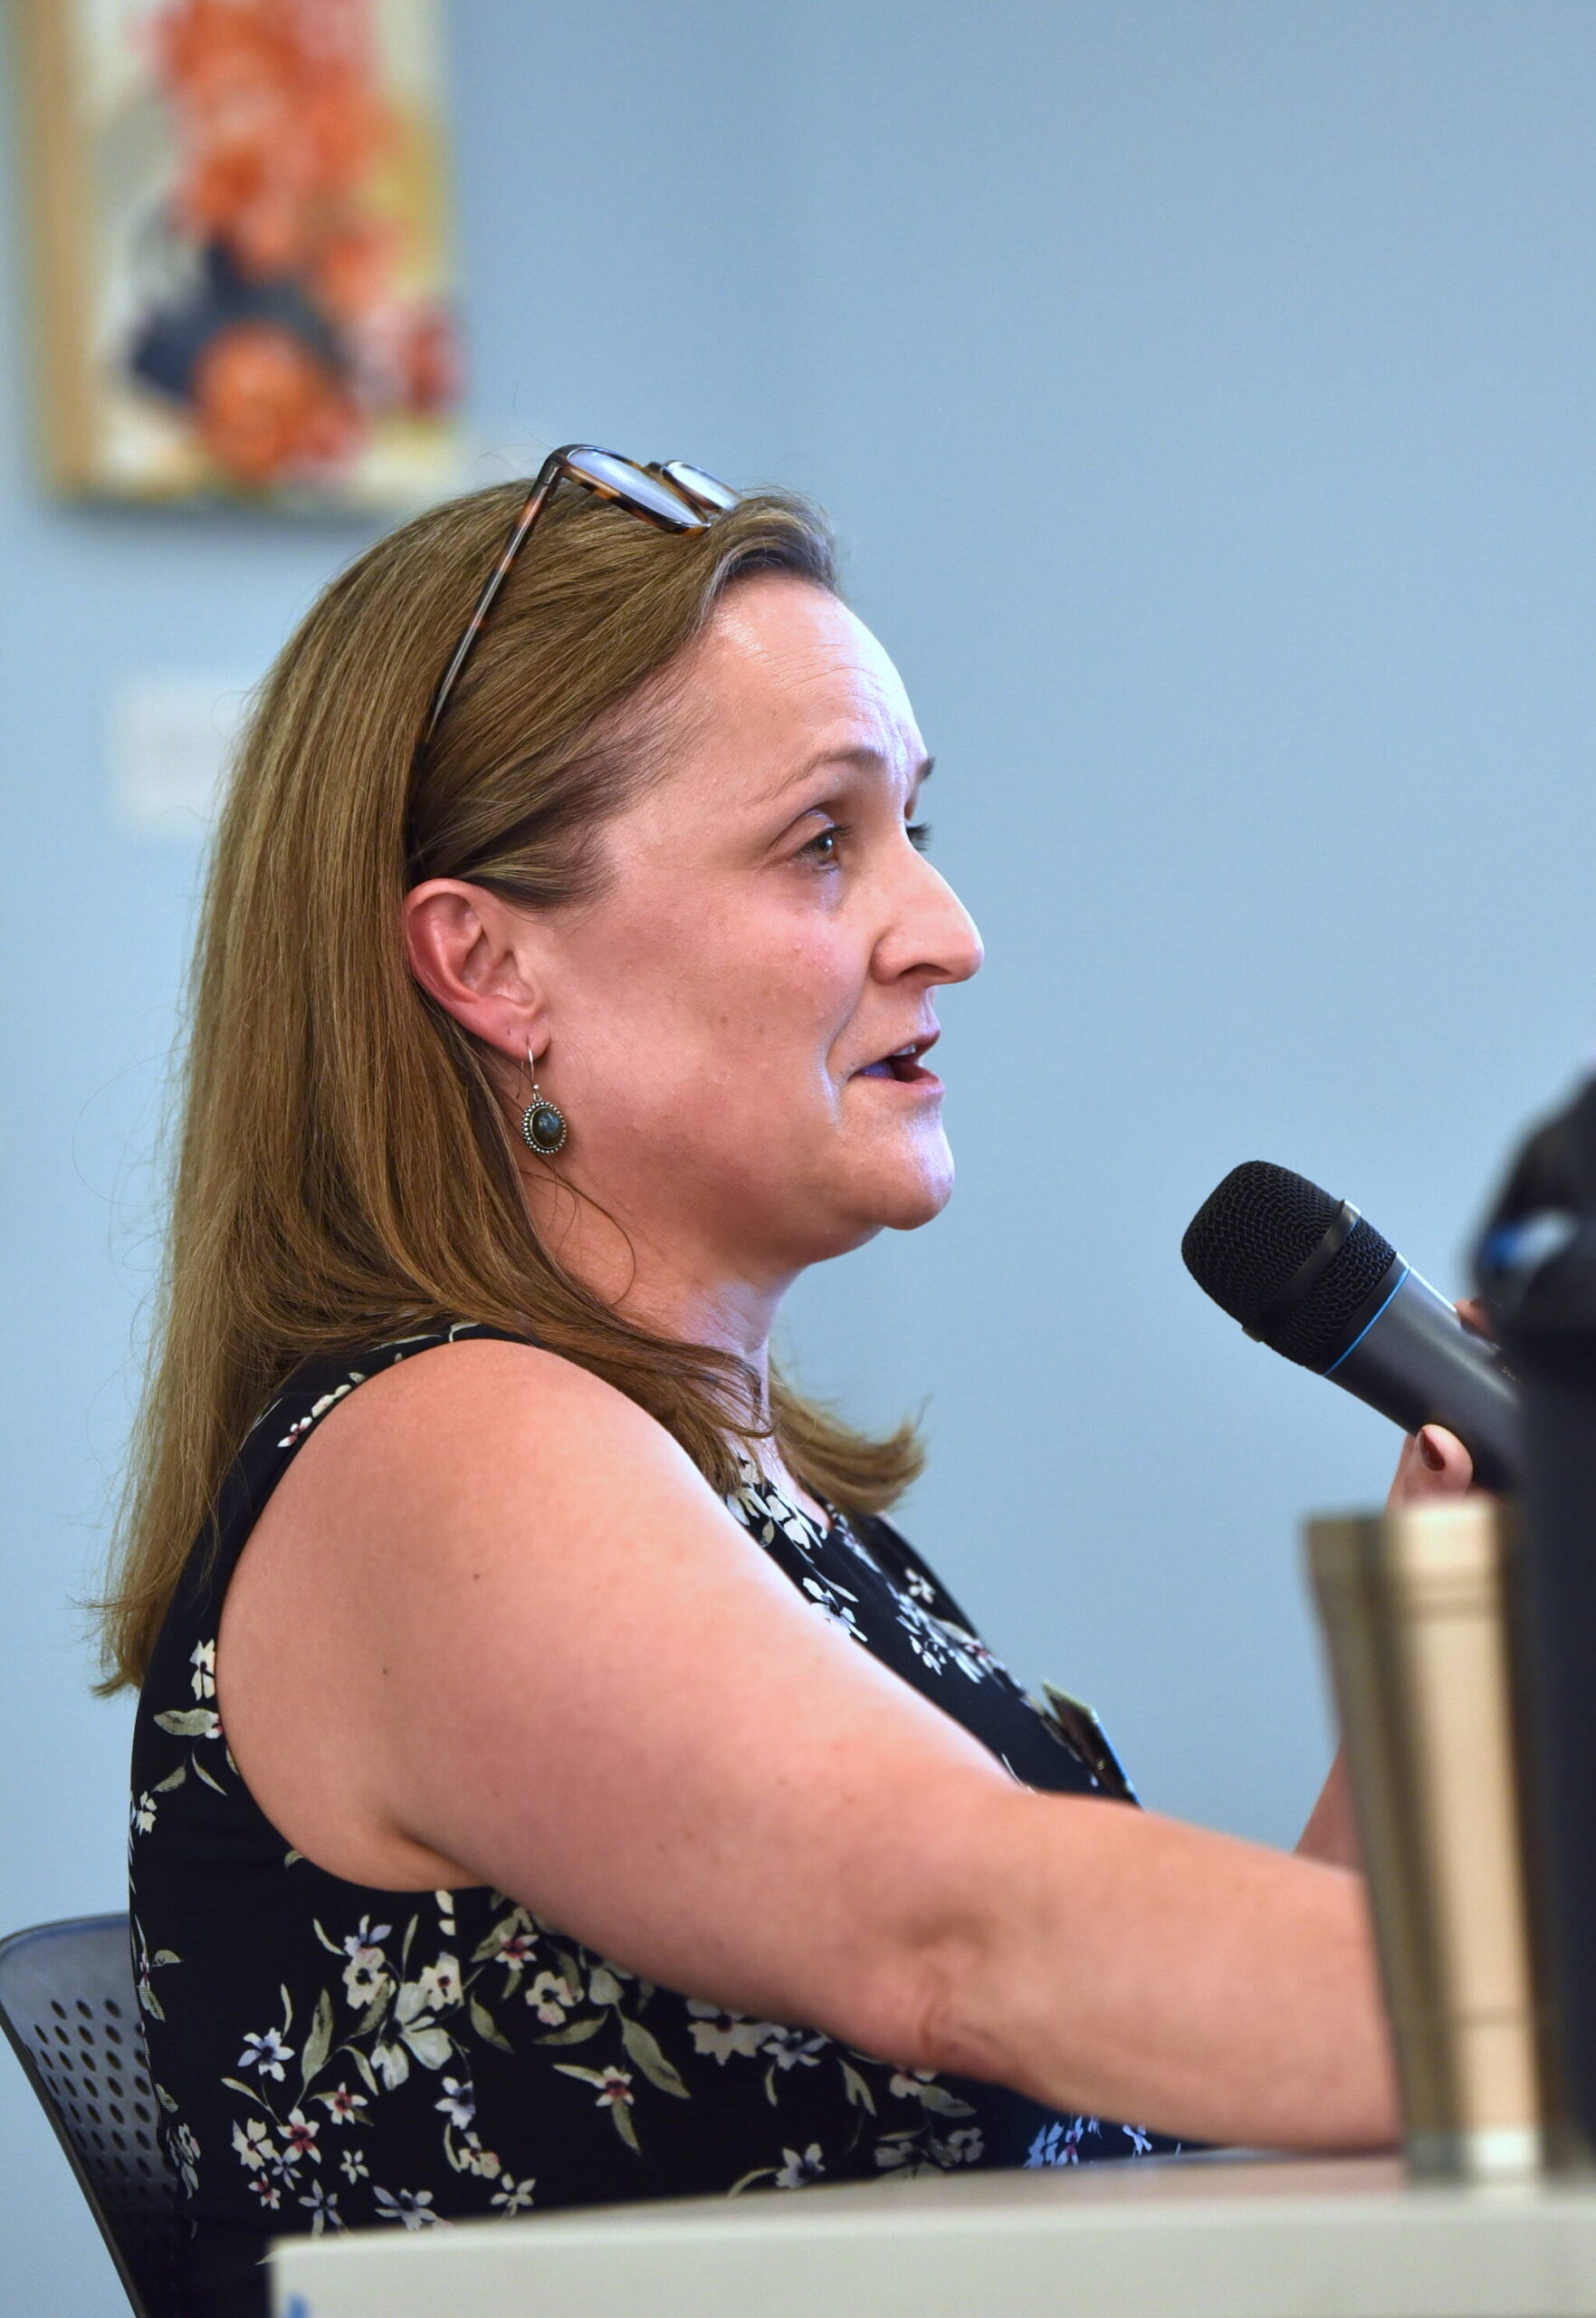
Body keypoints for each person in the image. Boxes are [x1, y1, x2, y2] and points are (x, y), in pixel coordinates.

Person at [101, 448, 1473, 2315]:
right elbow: (964, 1930)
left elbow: (1160, 2118)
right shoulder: (443, 1450)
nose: (948, 927)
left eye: (914, 824)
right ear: (487, 960)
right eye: (825, 840)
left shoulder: (771, 1511)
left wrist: (1461, 1610)